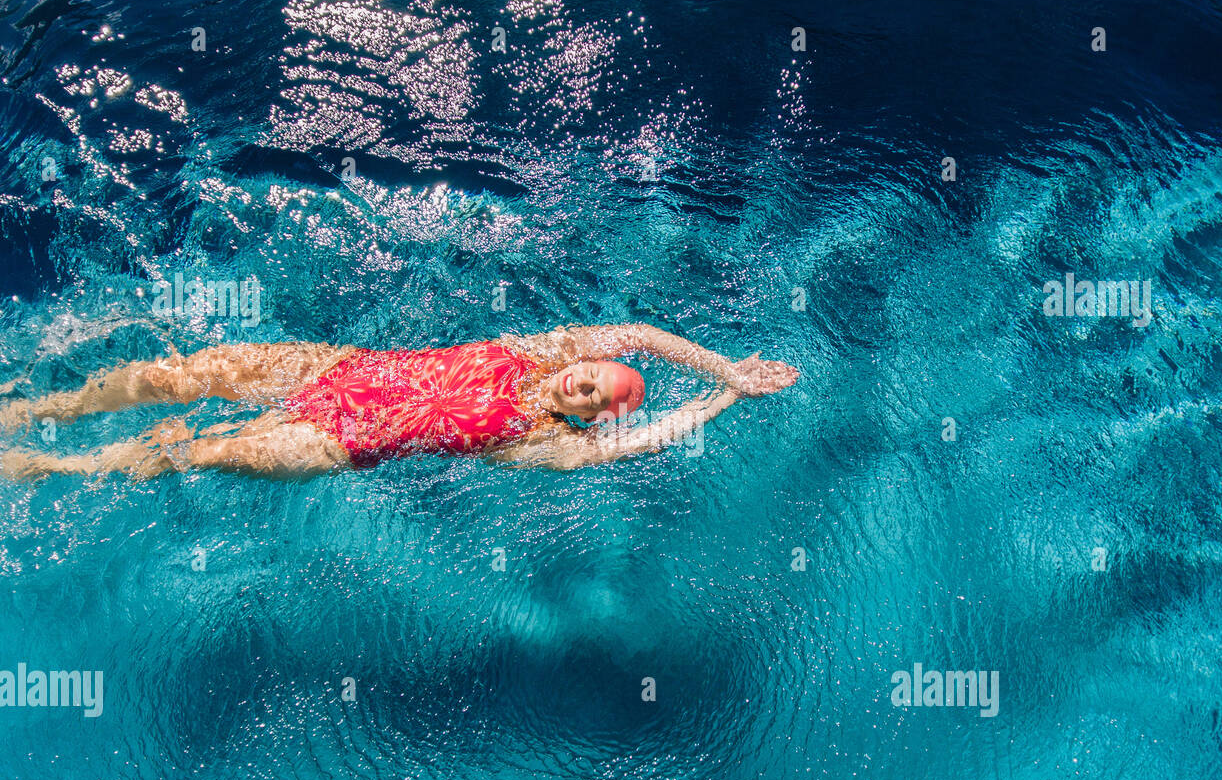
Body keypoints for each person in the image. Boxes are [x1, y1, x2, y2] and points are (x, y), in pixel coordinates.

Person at [0, 323, 798, 479]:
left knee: (188, 452)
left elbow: (651, 439)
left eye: (596, 395)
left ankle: (37, 465)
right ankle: (42, 409)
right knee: (183, 375)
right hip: (338, 367)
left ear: (594, 414)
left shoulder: (548, 442)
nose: (583, 382)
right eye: (596, 372)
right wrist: (728, 368)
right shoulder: (549, 349)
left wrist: (723, 404)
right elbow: (648, 333)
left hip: (335, 443)